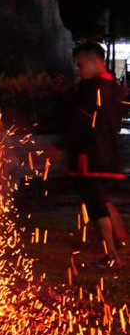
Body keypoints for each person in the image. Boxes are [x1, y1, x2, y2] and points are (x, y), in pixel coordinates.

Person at [64, 41, 126, 266]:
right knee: (101, 199)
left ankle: (112, 256)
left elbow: (79, 122)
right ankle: (118, 241)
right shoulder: (113, 86)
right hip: (107, 154)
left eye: (81, 66)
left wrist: (64, 147)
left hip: (89, 156)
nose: (80, 70)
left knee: (96, 204)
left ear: (95, 62)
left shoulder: (91, 88)